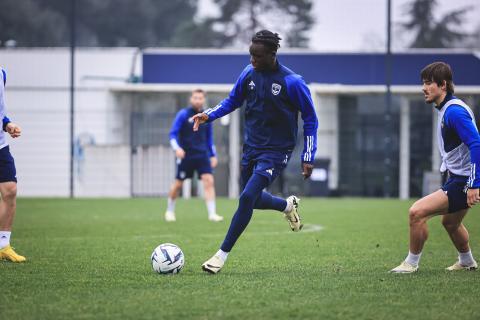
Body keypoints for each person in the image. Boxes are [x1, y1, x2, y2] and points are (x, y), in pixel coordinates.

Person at [192, 30, 318, 274]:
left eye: (257, 56)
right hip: (251, 148)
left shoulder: (293, 82)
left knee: (247, 198)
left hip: (276, 151)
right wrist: (209, 115)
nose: (252, 60)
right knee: (252, 198)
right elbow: (232, 100)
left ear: (272, 54)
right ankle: (286, 206)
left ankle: (220, 256)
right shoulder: (248, 73)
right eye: (250, 55)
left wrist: (308, 155)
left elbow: (311, 118)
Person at [391, 61, 479, 273]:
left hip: (464, 181)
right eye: (423, 83)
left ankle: (411, 264)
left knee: (416, 213)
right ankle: (467, 261)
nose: (423, 88)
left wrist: (474, 184)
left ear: (443, 85)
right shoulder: (447, 108)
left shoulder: (454, 112)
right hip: (459, 177)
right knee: (450, 223)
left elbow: (476, 143)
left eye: (429, 83)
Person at [165, 89, 224, 222]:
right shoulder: (183, 114)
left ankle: (212, 214)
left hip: (202, 154)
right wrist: (177, 149)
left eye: (200, 98)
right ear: (191, 99)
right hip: (186, 155)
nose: (198, 100)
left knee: (209, 181)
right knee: (178, 184)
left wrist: (213, 155)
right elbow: (172, 134)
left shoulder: (206, 116)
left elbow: (209, 139)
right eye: (195, 98)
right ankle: (169, 211)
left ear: (204, 100)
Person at [0, 67, 24, 262]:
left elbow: (1, 111)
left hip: (0, 145)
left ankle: (3, 245)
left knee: (10, 190)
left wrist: (8, 125)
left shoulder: (2, 73)